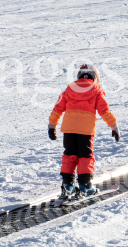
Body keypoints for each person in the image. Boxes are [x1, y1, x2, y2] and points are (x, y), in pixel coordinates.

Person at [48, 64, 119, 198]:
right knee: (85, 156)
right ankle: (85, 186)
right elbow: (104, 111)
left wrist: (52, 126)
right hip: (85, 131)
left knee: (69, 155)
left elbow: (57, 109)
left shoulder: (69, 89)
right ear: (93, 77)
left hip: (69, 129)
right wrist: (113, 126)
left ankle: (67, 186)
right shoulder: (96, 90)